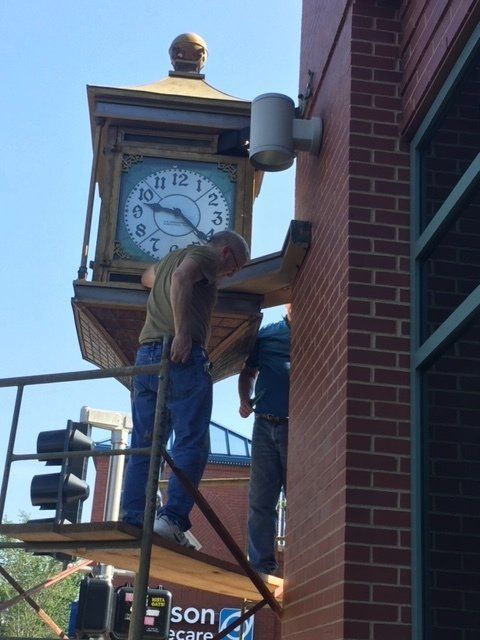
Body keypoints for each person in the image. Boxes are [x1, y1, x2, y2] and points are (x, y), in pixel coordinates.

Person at [121, 230, 250, 547]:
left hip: (146, 358)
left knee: (146, 444)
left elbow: (148, 277)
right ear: (225, 251)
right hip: (182, 356)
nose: (231, 274)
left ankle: (134, 517)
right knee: (191, 442)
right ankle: (171, 519)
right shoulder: (206, 256)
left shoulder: (171, 259)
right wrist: (182, 333)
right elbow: (181, 278)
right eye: (235, 266)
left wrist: (166, 288)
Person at [238, 305, 291, 575]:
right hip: (264, 424)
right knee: (260, 499)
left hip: (297, 426)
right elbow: (248, 372)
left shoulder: (316, 331)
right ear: (287, 305)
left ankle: (299, 563)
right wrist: (244, 399)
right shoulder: (268, 334)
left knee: (298, 497)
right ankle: (261, 567)